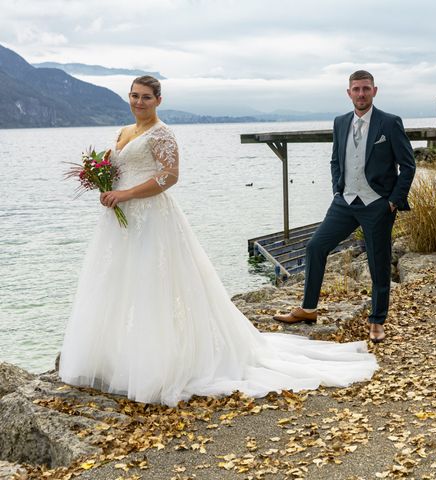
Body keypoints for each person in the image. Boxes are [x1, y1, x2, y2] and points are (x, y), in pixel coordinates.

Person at [59, 76, 377, 407]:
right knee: (116, 283)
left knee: (152, 285)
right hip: (119, 222)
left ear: (158, 100)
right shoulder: (123, 133)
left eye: (146, 97)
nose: (139, 102)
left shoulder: (163, 134)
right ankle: (120, 357)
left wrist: (125, 193)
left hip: (151, 217)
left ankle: (158, 363)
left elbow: (169, 176)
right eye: (134, 96)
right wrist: (102, 183)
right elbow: (119, 168)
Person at [273, 70, 415, 343]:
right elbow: (335, 160)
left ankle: (377, 320)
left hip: (377, 204)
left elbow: (408, 165)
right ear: (348, 92)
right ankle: (309, 309)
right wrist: (337, 188)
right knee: (316, 246)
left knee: (379, 263)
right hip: (345, 202)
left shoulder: (389, 123)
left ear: (374, 91)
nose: (361, 94)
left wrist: (393, 202)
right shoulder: (339, 123)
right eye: (356, 89)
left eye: (365, 89)